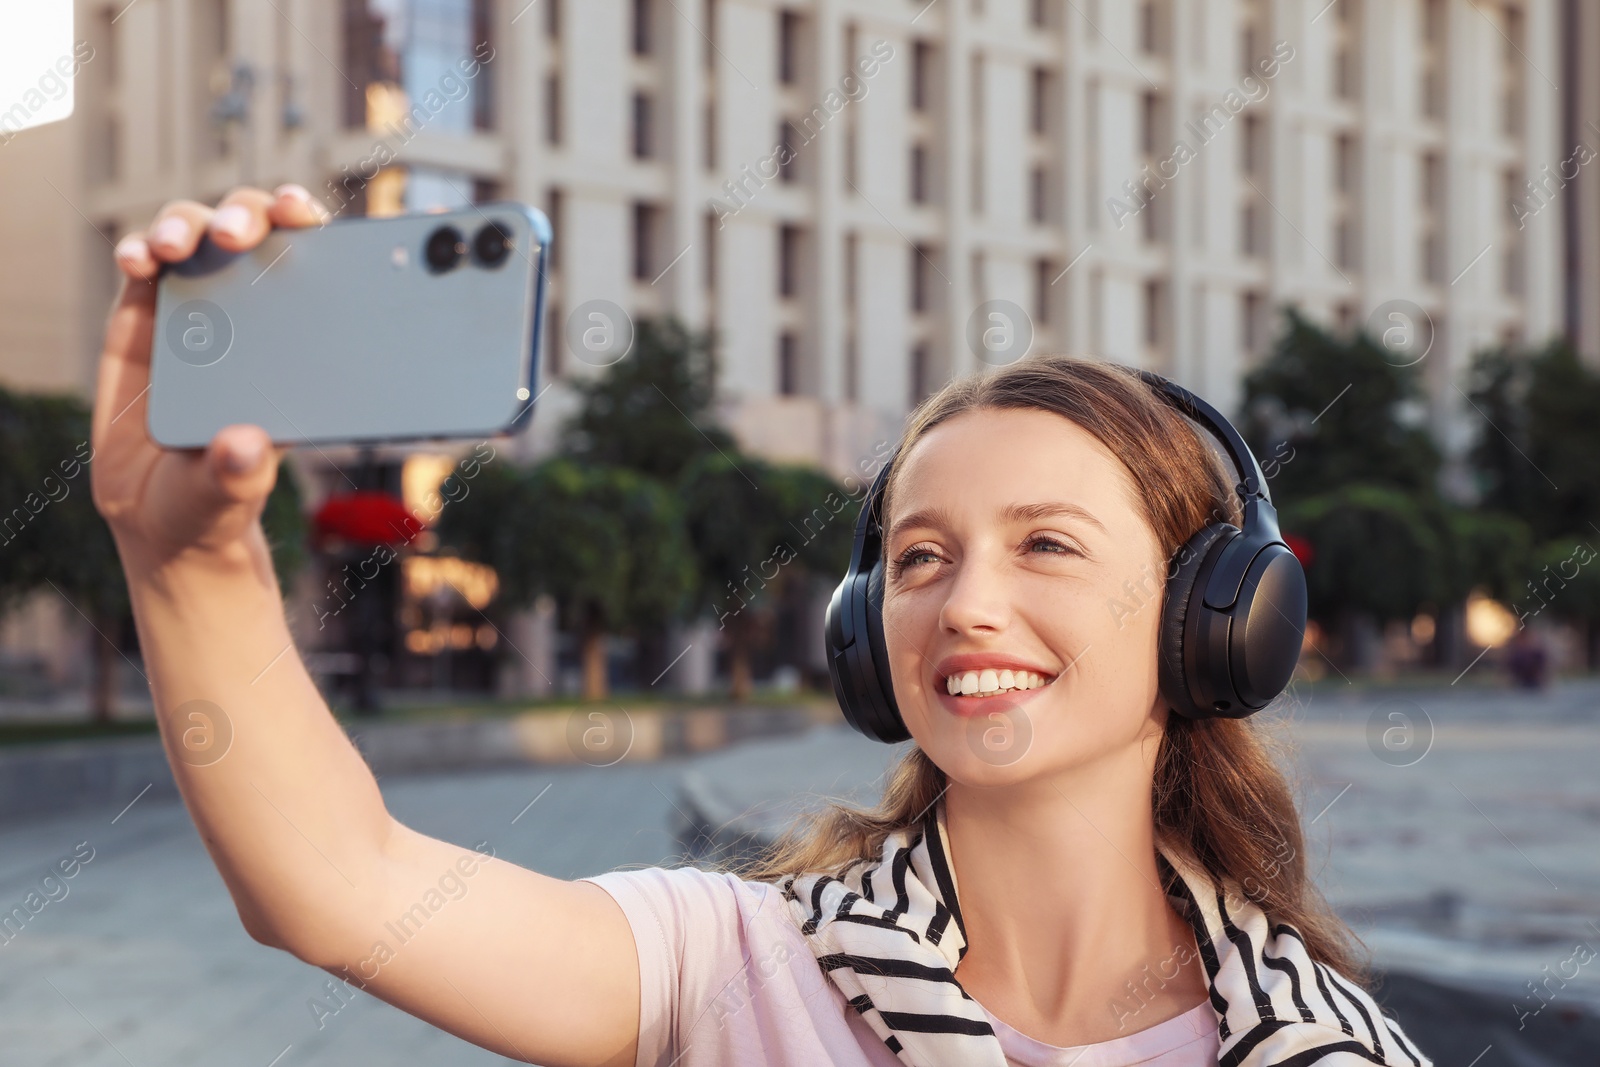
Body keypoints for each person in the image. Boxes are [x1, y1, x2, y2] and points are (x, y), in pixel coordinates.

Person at [99, 189, 1430, 1067]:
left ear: (1218, 617)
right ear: (863, 628)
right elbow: (337, 886)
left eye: (1046, 545)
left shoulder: (1335, 1049)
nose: (966, 601)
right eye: (919, 556)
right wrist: (187, 561)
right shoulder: (738, 963)